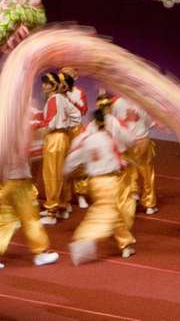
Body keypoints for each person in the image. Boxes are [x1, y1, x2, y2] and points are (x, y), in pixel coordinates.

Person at [64, 108, 136, 265]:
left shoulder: (84, 139)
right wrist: (125, 163)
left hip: (94, 182)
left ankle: (126, 244)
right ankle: (84, 237)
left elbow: (72, 159)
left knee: (113, 212)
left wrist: (67, 172)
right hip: (109, 181)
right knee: (104, 213)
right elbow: (119, 158)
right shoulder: (108, 138)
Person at [0, 147, 59, 269]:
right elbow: (24, 153)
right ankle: (40, 253)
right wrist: (37, 150)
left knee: (6, 219)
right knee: (31, 219)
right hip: (19, 182)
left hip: (6, 183)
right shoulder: (18, 135)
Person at [32, 72, 81, 225]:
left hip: (54, 139)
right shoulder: (61, 99)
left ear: (53, 85)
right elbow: (77, 115)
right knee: (60, 173)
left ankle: (52, 211)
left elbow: (50, 122)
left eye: (47, 83)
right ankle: (62, 206)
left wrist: (34, 124)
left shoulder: (54, 99)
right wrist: (66, 125)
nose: (43, 86)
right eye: (44, 83)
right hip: (63, 137)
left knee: (52, 175)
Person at [111, 95, 158, 215]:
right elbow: (148, 122)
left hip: (126, 142)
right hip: (141, 141)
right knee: (147, 172)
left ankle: (132, 196)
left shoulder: (117, 102)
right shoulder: (143, 102)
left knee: (129, 172)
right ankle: (149, 204)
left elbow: (112, 122)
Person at [60, 67, 90, 209]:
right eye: (62, 75)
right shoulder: (56, 92)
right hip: (62, 130)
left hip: (76, 129)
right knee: (62, 165)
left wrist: (72, 99)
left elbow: (83, 110)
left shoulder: (79, 92)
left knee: (79, 164)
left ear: (75, 77)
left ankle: (81, 194)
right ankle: (65, 199)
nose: (64, 78)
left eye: (68, 76)